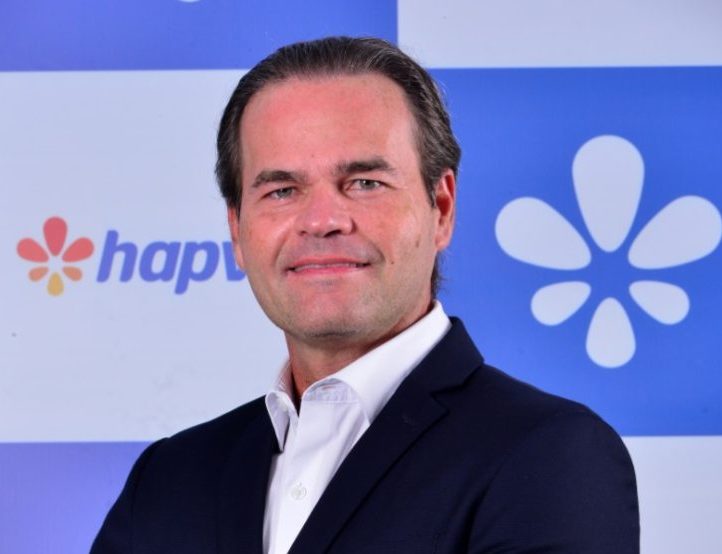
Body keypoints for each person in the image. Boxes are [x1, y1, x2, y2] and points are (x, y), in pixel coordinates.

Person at [91, 36, 639, 553]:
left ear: (441, 208)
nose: (322, 220)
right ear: (237, 230)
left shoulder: (549, 455)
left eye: (364, 183)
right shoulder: (168, 479)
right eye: (282, 190)